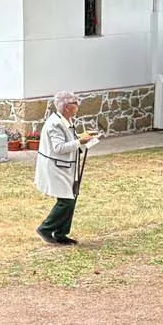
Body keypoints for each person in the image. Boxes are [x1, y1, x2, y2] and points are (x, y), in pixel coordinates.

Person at [35, 90, 95, 246]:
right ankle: (46, 229)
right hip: (56, 167)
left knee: (71, 197)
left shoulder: (65, 120)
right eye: (75, 103)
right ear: (67, 107)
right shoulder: (55, 124)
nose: (78, 105)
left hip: (65, 166)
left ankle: (61, 234)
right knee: (66, 201)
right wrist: (80, 142)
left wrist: (86, 140)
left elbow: (70, 141)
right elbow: (59, 148)